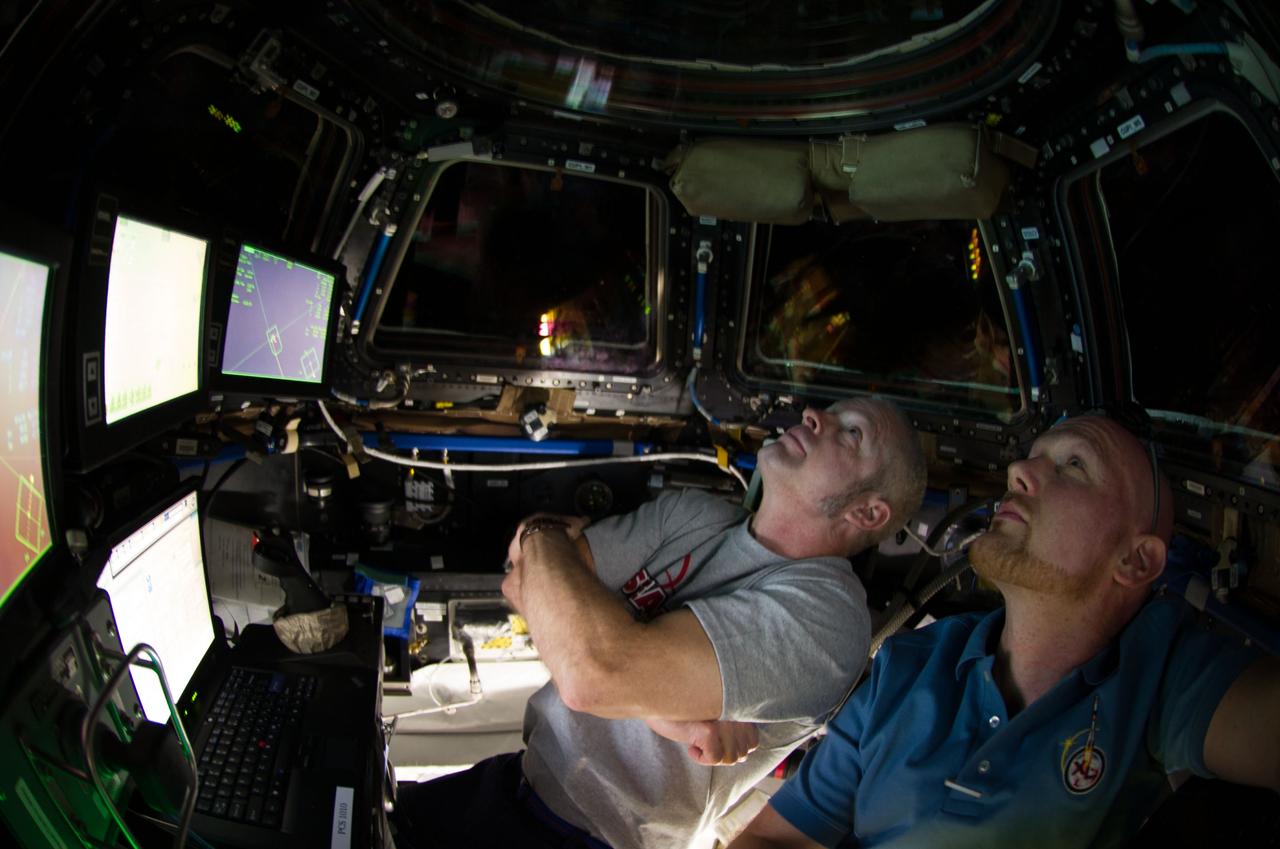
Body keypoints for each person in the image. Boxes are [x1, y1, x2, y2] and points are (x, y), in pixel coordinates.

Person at [392, 397, 928, 849]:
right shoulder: (694, 516)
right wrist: (543, 538)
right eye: (828, 412)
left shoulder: (827, 620)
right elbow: (520, 580)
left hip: (588, 837)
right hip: (512, 779)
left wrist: (545, 543)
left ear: (867, 513)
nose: (815, 416)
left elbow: (592, 672)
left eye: (851, 433)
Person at [728, 412, 1280, 849]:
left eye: (1074, 466)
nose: (1019, 470)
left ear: (1136, 561)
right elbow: (776, 838)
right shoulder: (907, 664)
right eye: (1032, 455)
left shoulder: (1162, 676)